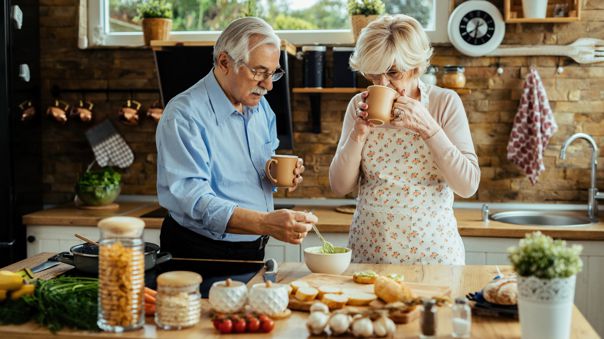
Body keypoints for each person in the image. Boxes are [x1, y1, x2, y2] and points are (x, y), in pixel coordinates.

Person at [156, 17, 317, 263]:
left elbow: (252, 170)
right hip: (201, 252)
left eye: (272, 74)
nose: (267, 86)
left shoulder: (261, 108)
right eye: (258, 72)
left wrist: (275, 174)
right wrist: (265, 222)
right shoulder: (184, 115)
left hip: (253, 248)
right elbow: (195, 199)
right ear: (224, 62)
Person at [329, 14, 480, 265]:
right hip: (370, 252)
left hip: (433, 256)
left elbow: (468, 185)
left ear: (415, 66)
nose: (382, 84)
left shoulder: (445, 103)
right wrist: (357, 134)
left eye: (393, 73)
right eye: (374, 75)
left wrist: (429, 128)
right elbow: (339, 186)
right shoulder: (359, 105)